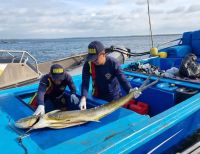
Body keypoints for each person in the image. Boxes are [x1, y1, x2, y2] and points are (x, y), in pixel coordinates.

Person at [79, 41, 141, 110]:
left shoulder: (113, 63)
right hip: (97, 97)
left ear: (103, 54)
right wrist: (83, 98)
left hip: (114, 99)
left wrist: (130, 90)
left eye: (96, 58)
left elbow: (122, 79)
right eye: (91, 58)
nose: (93, 61)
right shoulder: (89, 64)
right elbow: (85, 82)